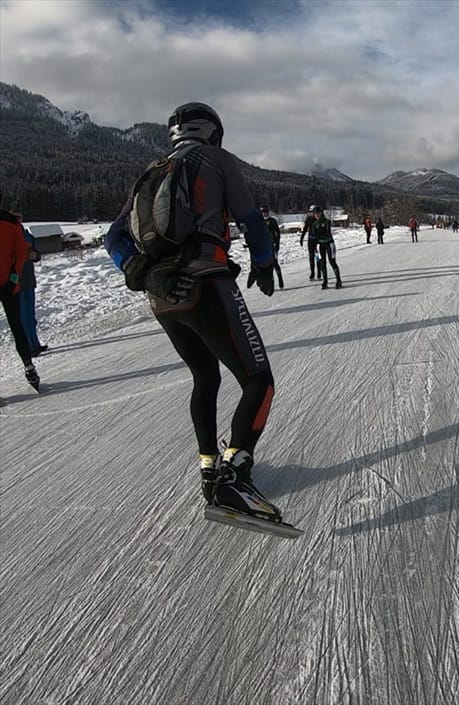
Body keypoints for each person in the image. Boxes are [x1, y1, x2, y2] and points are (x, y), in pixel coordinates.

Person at [104, 102, 284, 524]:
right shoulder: (217, 159)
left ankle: (209, 468)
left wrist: (140, 271)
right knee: (259, 381)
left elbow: (115, 235)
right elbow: (251, 220)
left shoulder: (153, 170)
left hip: (162, 296)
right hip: (206, 284)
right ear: (214, 132)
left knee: (205, 376)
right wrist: (262, 262)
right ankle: (235, 476)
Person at [0, 206, 40, 390]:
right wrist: (14, 277)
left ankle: (29, 364)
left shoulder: (11, 222)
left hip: (10, 284)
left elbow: (22, 251)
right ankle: (29, 366)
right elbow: (20, 252)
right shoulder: (11, 222)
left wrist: (14, 277)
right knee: (17, 326)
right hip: (9, 284)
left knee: (18, 324)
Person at [16, 217, 47, 356]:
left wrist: (35, 256)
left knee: (30, 315)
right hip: (16, 281)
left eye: (19, 217)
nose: (18, 220)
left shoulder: (27, 235)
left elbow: (36, 254)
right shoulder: (9, 234)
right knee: (22, 316)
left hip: (28, 279)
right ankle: (28, 346)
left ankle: (35, 343)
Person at [307, 205, 342, 289]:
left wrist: (318, 234)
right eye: (315, 214)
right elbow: (314, 235)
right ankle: (325, 281)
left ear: (321, 213)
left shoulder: (327, 222)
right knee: (322, 263)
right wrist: (314, 246)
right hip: (320, 245)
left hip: (329, 244)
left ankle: (338, 280)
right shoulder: (314, 224)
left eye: (318, 213)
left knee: (332, 262)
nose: (317, 215)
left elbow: (326, 232)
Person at [258, 204, 285, 289]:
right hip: (263, 247)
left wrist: (277, 245)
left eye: (265, 212)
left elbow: (277, 233)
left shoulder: (272, 221)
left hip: (271, 245)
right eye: (263, 212)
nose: (264, 214)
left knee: (274, 264)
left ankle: (280, 280)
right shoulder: (259, 222)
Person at [299, 205, 320, 280]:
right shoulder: (308, 219)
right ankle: (312, 273)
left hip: (317, 241)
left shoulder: (318, 219)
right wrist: (301, 238)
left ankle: (319, 273)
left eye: (313, 212)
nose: (312, 213)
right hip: (310, 240)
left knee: (318, 257)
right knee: (311, 257)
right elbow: (305, 229)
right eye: (311, 212)